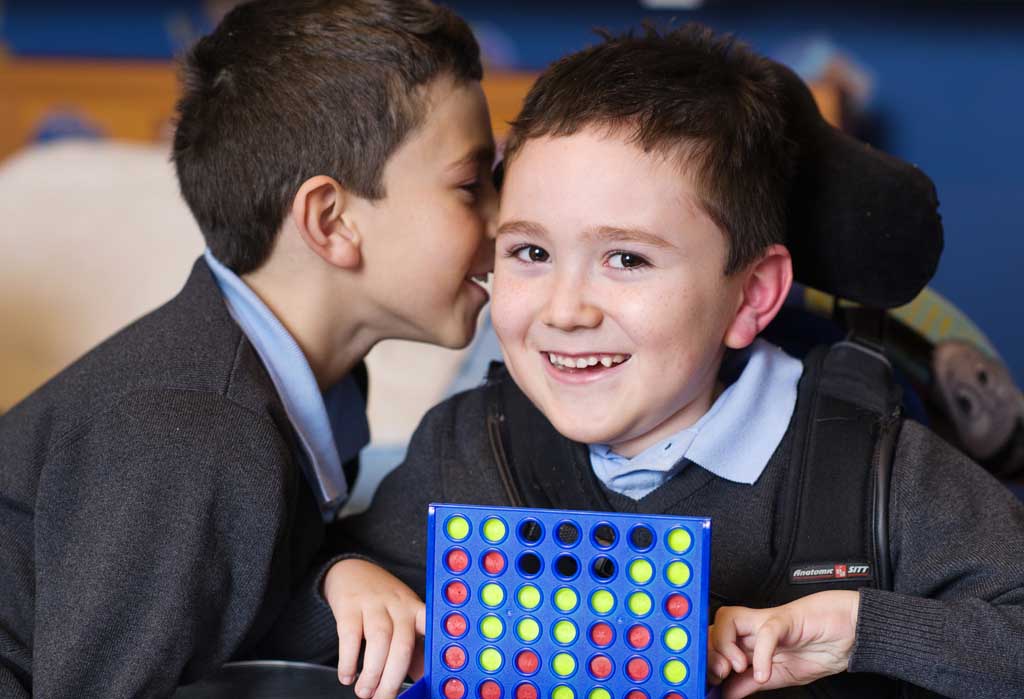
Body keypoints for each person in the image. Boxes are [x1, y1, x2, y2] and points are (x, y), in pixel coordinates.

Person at [334, 24, 1024, 699]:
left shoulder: (873, 468)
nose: (565, 310)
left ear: (752, 295)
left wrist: (862, 629)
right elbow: (313, 606)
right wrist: (341, 578)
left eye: (626, 259)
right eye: (531, 253)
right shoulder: (466, 447)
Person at [0, 1, 496, 697]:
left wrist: (330, 572)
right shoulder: (198, 435)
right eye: (473, 185)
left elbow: (233, 589)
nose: (504, 218)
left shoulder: (322, 383)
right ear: (330, 220)